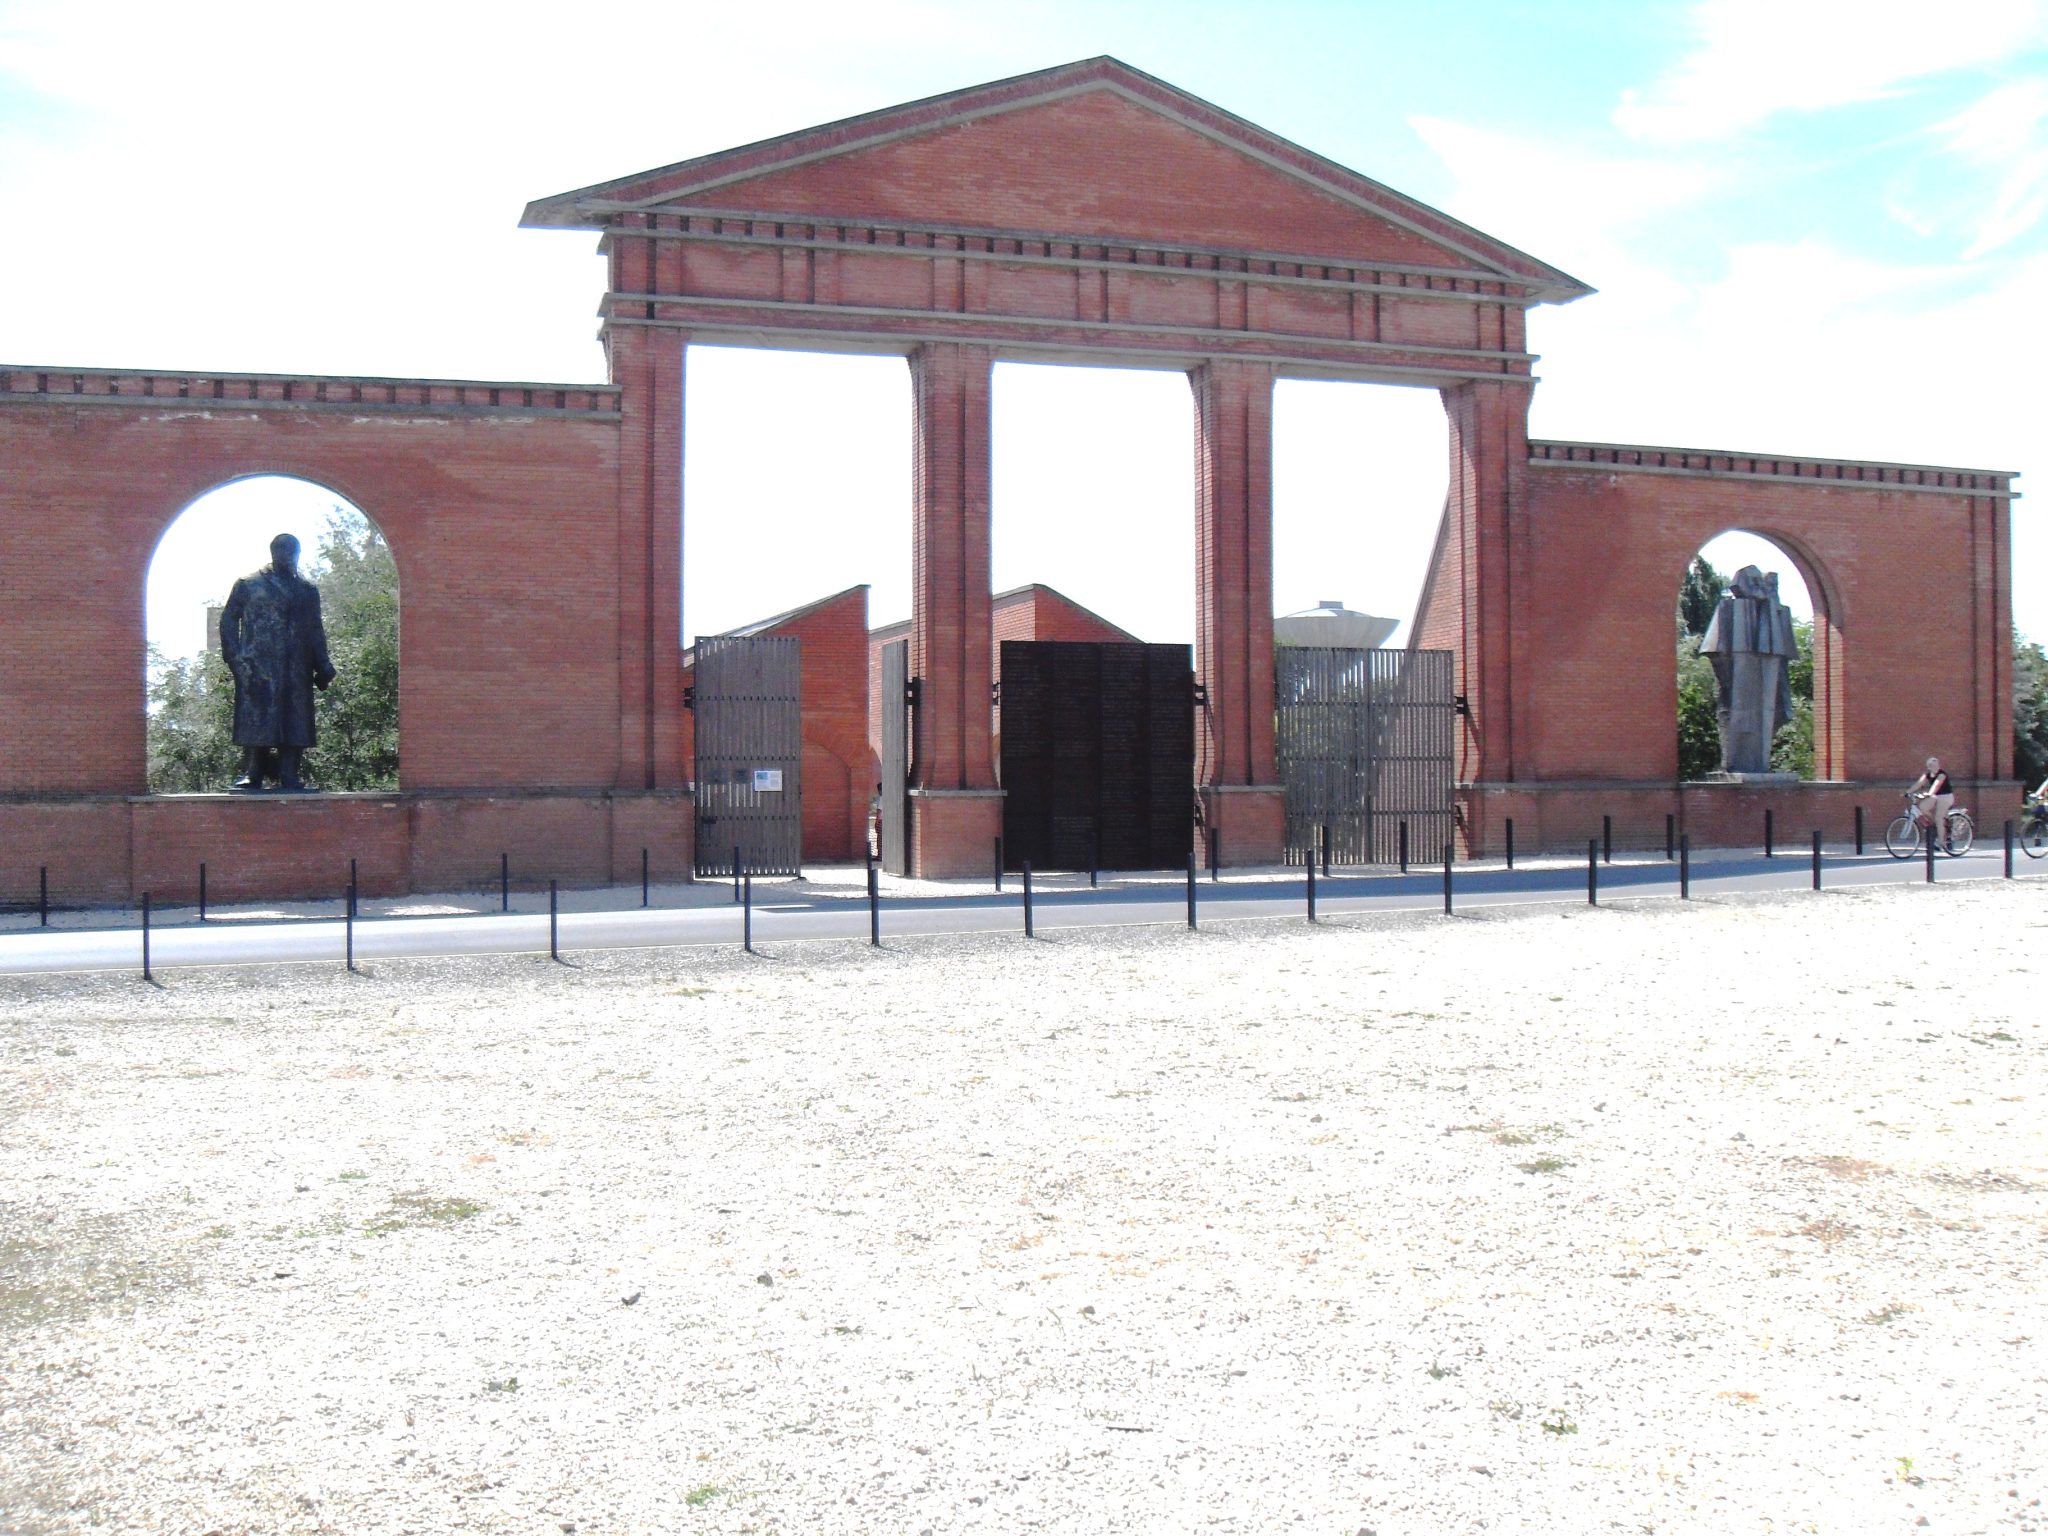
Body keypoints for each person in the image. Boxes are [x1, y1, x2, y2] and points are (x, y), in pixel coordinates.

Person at [219, 533, 336, 791]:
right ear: (273, 552)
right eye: (282, 551)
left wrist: (323, 664)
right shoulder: (248, 585)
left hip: (297, 666)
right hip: (257, 667)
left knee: (295, 721)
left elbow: (315, 629)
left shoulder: (307, 591)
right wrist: (236, 659)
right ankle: (253, 772)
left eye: (292, 552)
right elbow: (228, 620)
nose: (287, 556)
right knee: (258, 719)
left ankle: (290, 774)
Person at [1907, 755, 1955, 849]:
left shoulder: (1942, 774)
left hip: (1946, 796)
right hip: (1935, 796)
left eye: (1937, 765)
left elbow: (1936, 785)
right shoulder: (1927, 774)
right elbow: (1919, 784)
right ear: (1929, 767)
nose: (1936, 767)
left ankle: (1941, 842)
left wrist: (1929, 793)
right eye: (1933, 766)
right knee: (1923, 807)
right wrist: (1908, 792)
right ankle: (1935, 825)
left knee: (1939, 817)